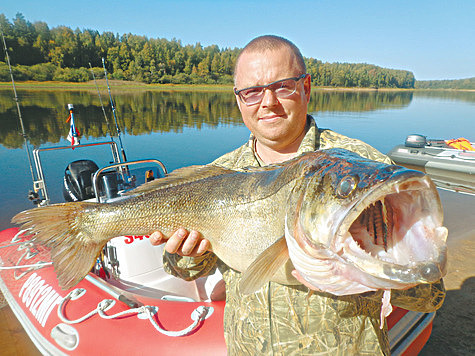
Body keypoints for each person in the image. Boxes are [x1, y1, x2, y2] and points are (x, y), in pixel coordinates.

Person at [149, 35, 445, 355]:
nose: (268, 102)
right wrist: (187, 256)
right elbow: (182, 270)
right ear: (239, 100)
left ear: (305, 89)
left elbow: (430, 295)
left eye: (282, 86)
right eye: (252, 92)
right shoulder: (219, 174)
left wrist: (366, 275)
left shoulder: (367, 171)